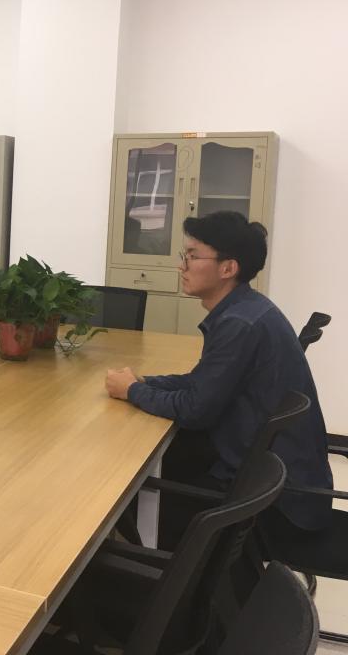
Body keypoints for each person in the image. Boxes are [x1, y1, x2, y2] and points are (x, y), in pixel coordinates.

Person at [105, 211, 333, 547]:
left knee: (119, 490)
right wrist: (145, 383)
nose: (181, 266)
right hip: (268, 473)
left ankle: (162, 568)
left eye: (192, 256)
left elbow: (195, 410)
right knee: (155, 458)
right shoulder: (247, 308)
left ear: (228, 268)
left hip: (274, 502)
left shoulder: (239, 323)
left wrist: (134, 391)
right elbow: (201, 382)